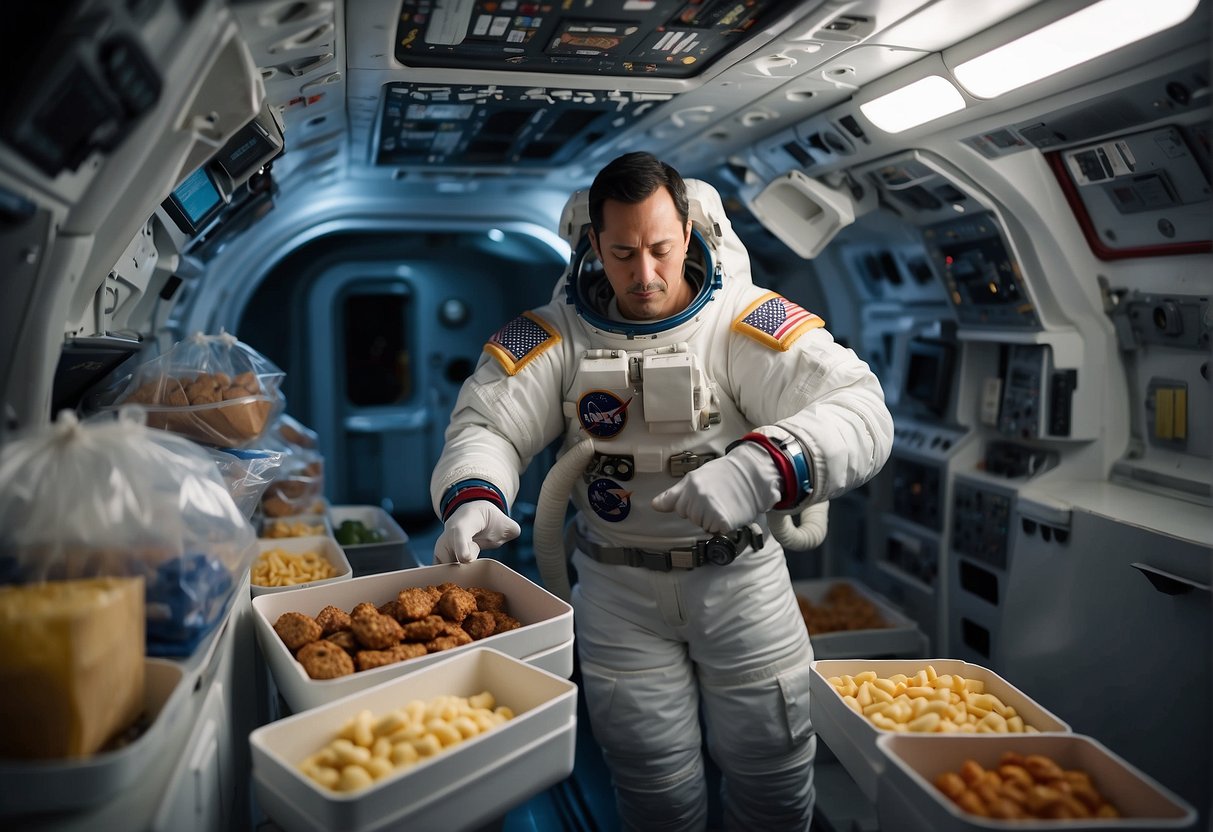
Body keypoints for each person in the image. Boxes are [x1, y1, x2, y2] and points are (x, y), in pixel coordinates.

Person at [430, 151, 893, 830]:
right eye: (621, 253)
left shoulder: (745, 322)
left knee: (772, 769)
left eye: (660, 249)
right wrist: (475, 495)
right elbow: (487, 425)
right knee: (652, 783)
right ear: (593, 243)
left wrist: (761, 465)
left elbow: (860, 409)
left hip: (740, 582)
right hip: (618, 593)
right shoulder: (553, 336)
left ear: (689, 231)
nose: (643, 275)